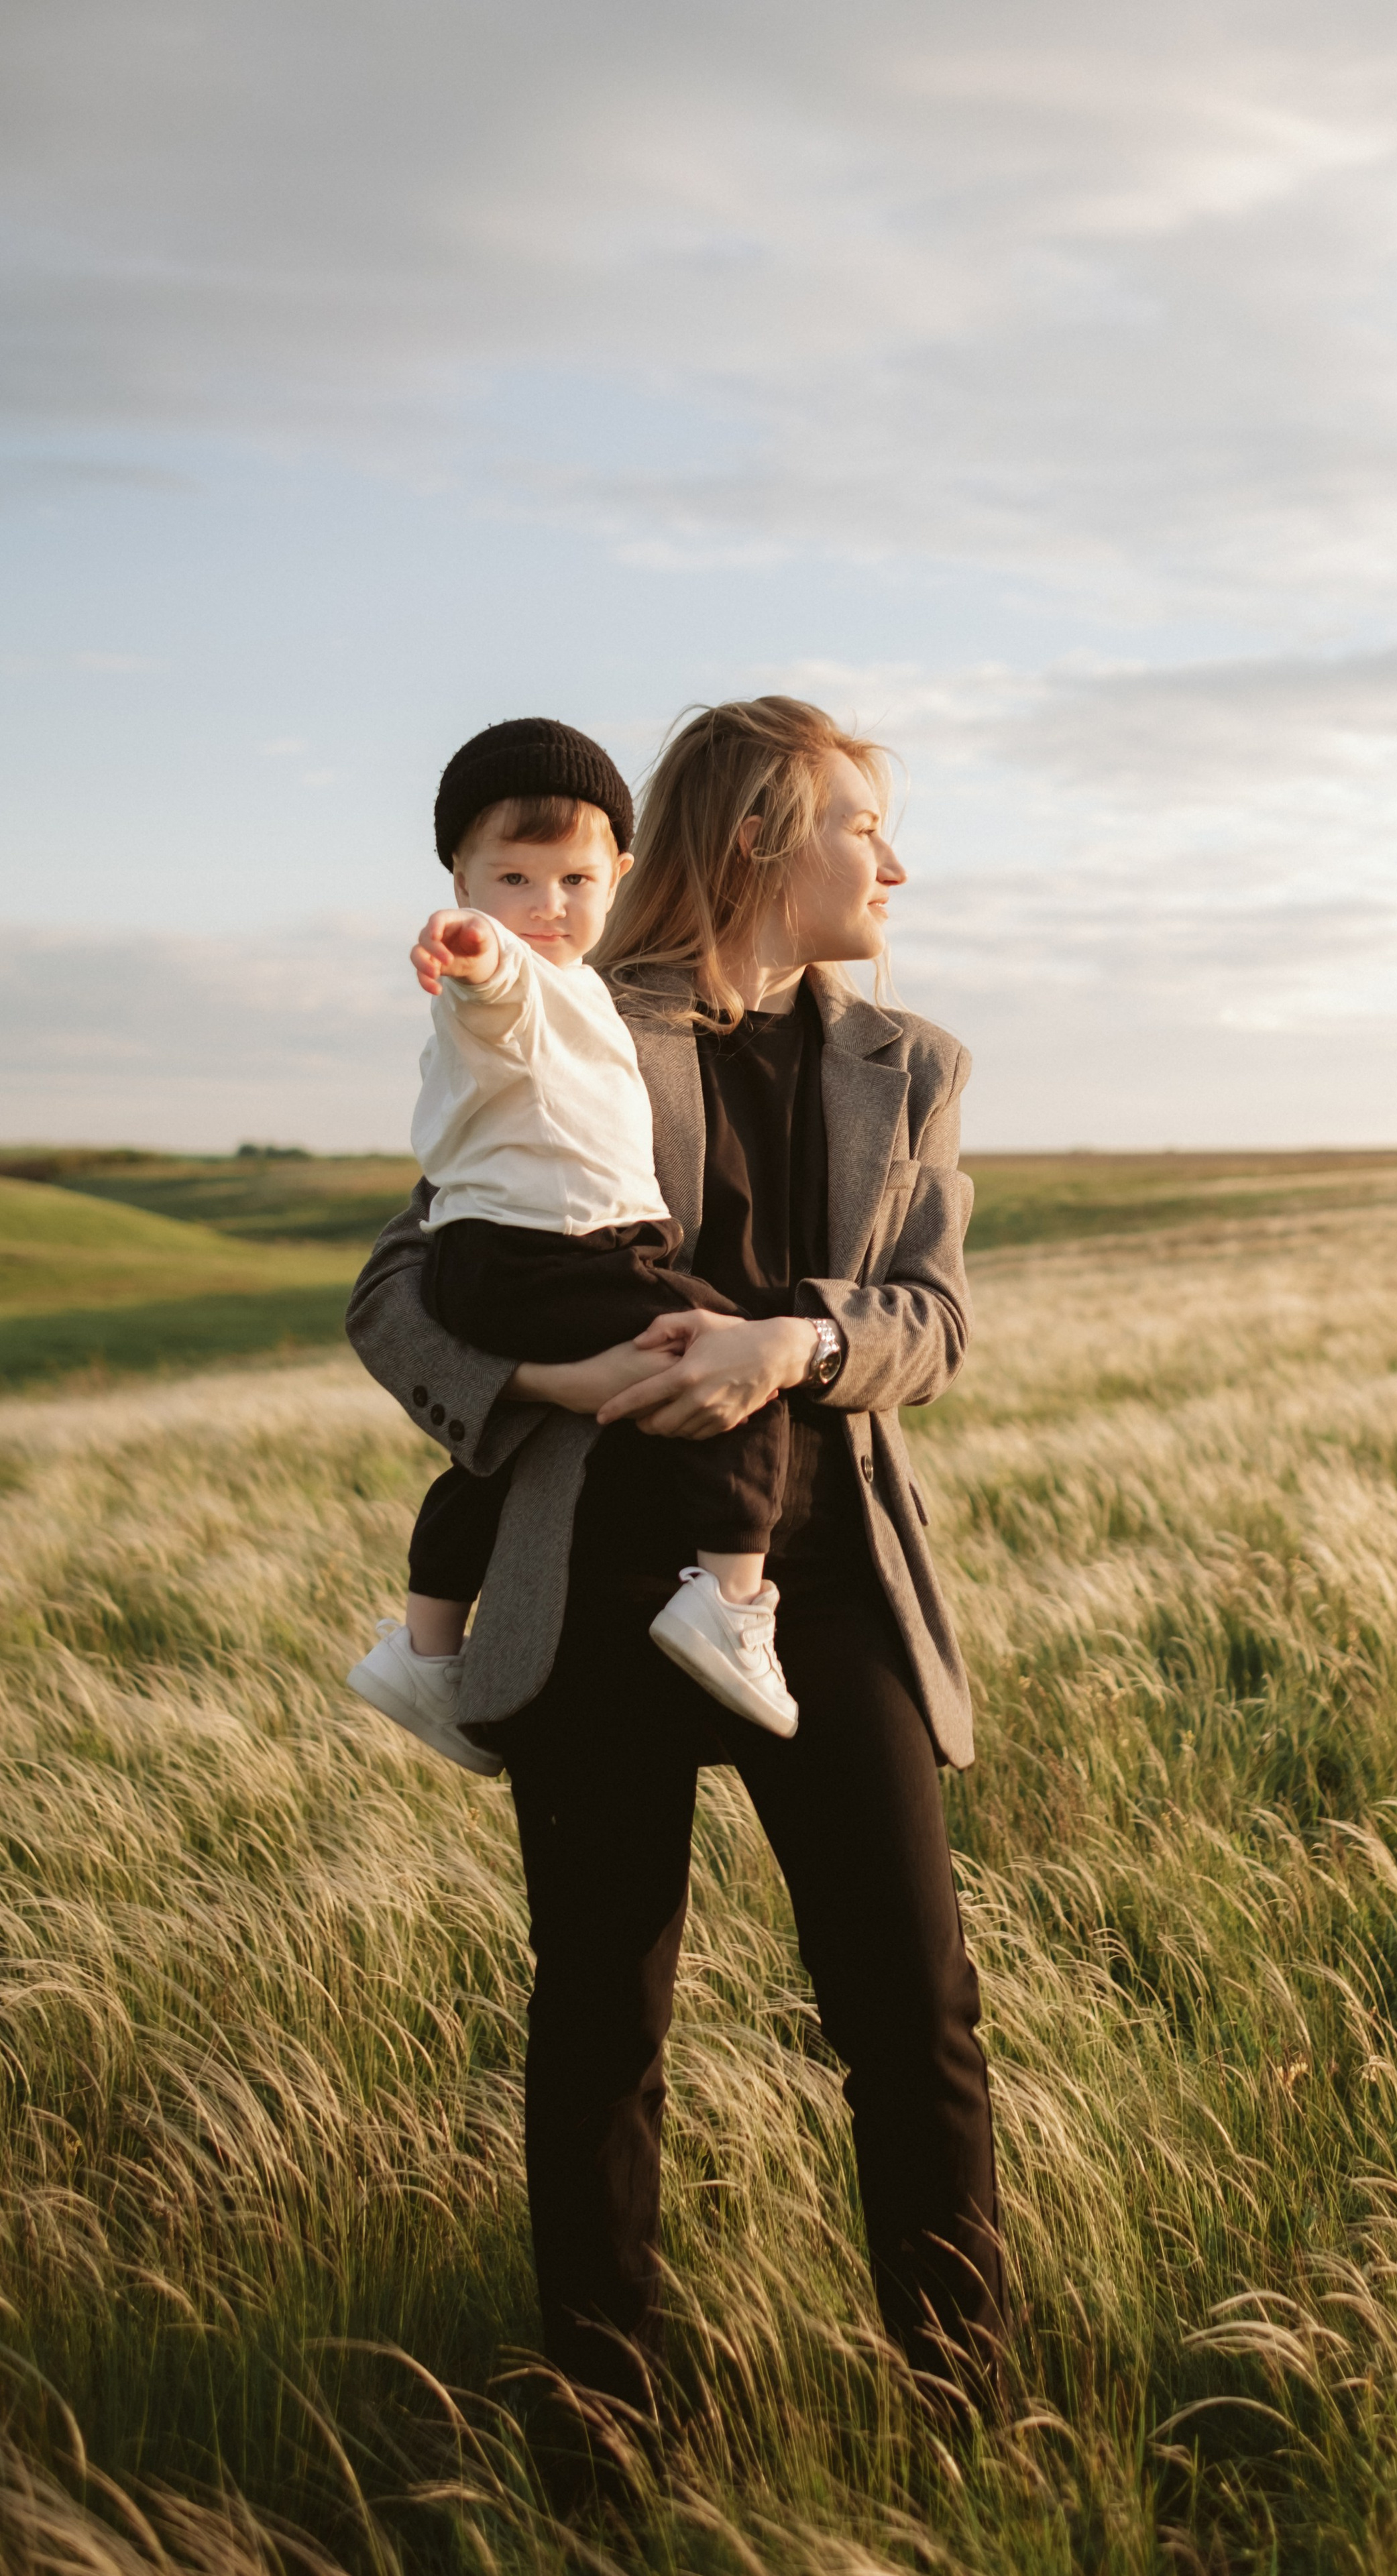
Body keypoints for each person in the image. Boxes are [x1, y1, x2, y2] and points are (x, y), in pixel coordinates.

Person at [345, 694, 1005, 2416]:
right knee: (601, 2034)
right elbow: (401, 1285)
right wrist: (538, 1379)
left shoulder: (913, 1065)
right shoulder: (561, 1010)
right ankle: (599, 2439)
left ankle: (968, 2405)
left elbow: (934, 1324)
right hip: (592, 1582)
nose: (895, 864)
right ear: (763, 840)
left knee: (912, 2016)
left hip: (830, 1587)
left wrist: (783, 1348)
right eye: (866, 827)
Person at [346, 716, 803, 1761]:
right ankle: (728, 1596)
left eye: (575, 880)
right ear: (461, 881)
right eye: (511, 878)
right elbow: (497, 987)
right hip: (540, 1252)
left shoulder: (586, 987)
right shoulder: (505, 985)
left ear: (620, 875)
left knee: (504, 1457)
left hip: (519, 1255)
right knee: (729, 1353)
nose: (546, 907)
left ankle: (421, 1651)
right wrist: (475, 950)